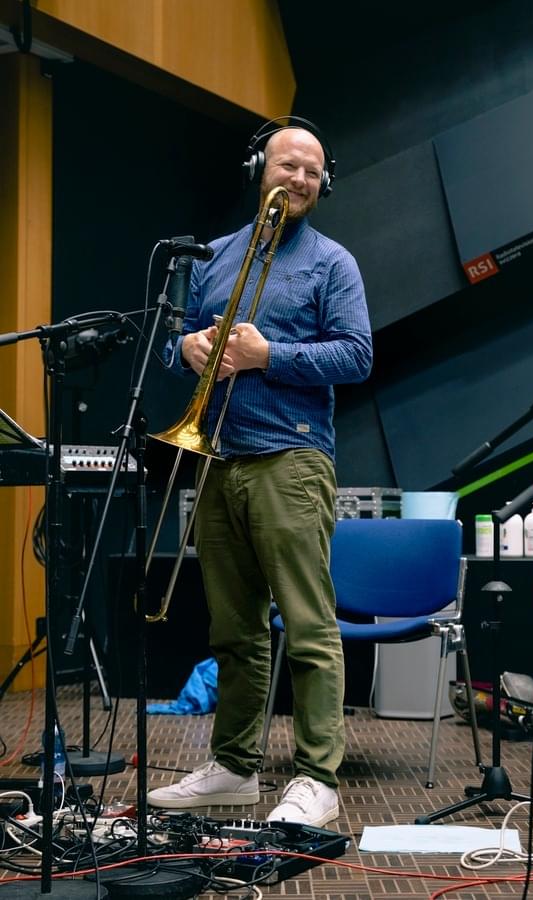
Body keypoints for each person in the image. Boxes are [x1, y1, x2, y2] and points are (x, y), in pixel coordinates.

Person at [147, 119, 372, 827]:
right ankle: (235, 767)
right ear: (259, 169)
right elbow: (168, 346)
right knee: (233, 632)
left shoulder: (333, 263)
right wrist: (185, 348)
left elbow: (357, 356)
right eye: (287, 165)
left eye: (311, 170)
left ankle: (316, 777)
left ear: (323, 182)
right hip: (216, 456)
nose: (298, 179)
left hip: (293, 458)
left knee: (307, 627)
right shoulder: (212, 257)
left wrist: (270, 355)